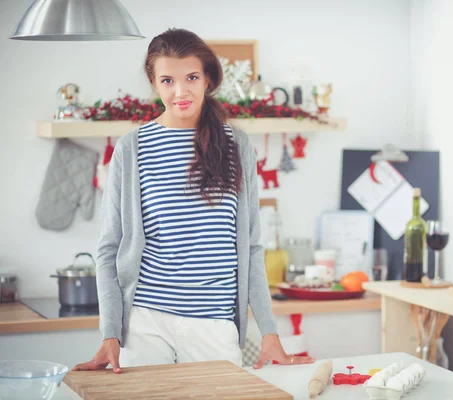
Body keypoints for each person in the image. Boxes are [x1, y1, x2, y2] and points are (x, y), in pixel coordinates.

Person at [73, 28, 314, 373]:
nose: (181, 91)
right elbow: (109, 248)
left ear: (207, 80)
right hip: (146, 322)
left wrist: (269, 331)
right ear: (154, 83)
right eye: (168, 80)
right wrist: (110, 331)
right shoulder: (132, 148)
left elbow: (250, 246)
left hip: (214, 323)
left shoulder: (236, 144)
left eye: (191, 77)